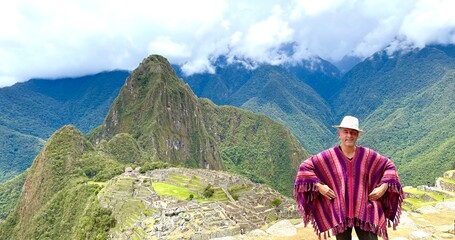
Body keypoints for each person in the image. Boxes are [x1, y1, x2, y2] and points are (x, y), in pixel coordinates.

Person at [294, 116, 404, 240]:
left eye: (353, 133)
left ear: (357, 135)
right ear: (339, 134)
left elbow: (389, 166)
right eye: (345, 132)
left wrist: (383, 187)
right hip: (340, 212)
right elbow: (304, 167)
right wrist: (319, 186)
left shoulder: (367, 155)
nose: (349, 136)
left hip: (365, 211)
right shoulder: (328, 156)